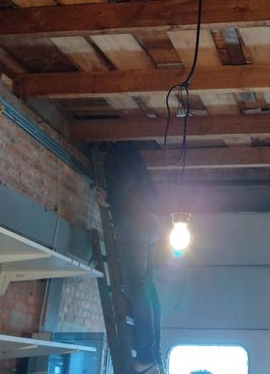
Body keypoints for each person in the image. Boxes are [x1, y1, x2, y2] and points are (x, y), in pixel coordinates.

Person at [104, 142, 162, 374]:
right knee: (146, 288)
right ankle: (152, 354)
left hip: (133, 223)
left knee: (137, 289)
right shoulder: (133, 155)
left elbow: (123, 180)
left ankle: (147, 356)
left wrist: (109, 200)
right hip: (149, 223)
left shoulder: (117, 153)